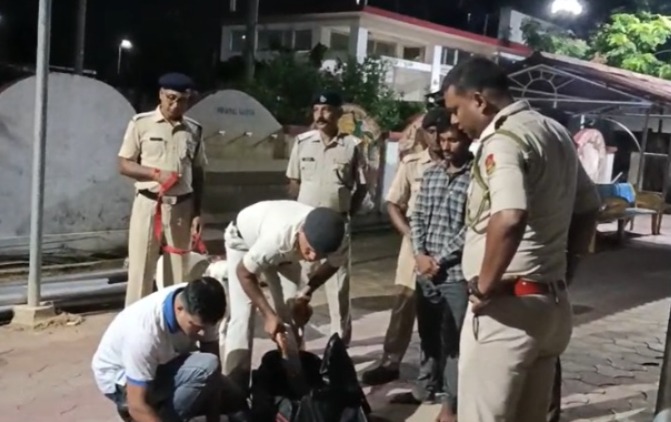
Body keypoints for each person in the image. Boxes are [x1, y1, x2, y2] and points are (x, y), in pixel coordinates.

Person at [442, 56, 600, 422]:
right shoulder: (553, 132)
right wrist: (567, 269)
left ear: (479, 100)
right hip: (550, 305)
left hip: (507, 311)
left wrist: (483, 288)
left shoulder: (503, 140)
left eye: (455, 110)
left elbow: (510, 216)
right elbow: (589, 207)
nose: (454, 122)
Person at [361, 107, 447, 386]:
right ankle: (390, 362)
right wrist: (410, 236)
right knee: (404, 303)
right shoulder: (413, 164)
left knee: (443, 309)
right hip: (414, 246)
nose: (437, 138)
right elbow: (393, 203)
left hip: (448, 246)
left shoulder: (460, 163)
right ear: (424, 134)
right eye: (431, 131)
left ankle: (439, 370)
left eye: (442, 132)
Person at [222, 200, 347, 391]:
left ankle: (295, 383)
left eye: (320, 254)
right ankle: (235, 389)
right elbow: (244, 272)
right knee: (243, 316)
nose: (312, 257)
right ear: (302, 231)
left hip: (285, 252)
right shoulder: (277, 237)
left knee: (291, 315)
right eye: (310, 249)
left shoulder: (338, 239)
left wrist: (306, 293)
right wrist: (268, 314)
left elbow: (333, 264)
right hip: (243, 241)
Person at [91, 277, 248, 422]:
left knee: (233, 397)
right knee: (206, 367)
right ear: (179, 309)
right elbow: (136, 405)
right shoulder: (145, 334)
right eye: (196, 327)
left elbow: (214, 376)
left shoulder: (205, 305)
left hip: (163, 363)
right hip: (121, 380)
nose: (202, 333)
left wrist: (213, 417)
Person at [285, 91, 368, 346]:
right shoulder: (302, 143)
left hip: (336, 225)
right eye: (316, 109)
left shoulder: (352, 146)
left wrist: (347, 215)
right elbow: (294, 182)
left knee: (338, 287)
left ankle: (338, 343)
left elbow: (362, 186)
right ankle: (297, 340)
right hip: (305, 228)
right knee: (301, 284)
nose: (320, 115)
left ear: (338, 114)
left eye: (326, 109)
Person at [403, 115, 471, 422]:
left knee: (454, 341)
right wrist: (419, 254)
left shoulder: (477, 178)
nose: (445, 146)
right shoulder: (431, 174)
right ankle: (426, 387)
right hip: (425, 271)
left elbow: (472, 227)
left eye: (452, 140)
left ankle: (451, 404)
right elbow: (416, 217)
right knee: (428, 335)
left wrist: (439, 259)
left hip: (455, 275)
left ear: (466, 140)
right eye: (442, 139)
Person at [118, 72, 207, 307]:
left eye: (182, 100)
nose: (175, 105)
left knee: (179, 271)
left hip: (181, 208)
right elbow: (124, 164)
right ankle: (136, 320)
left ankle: (173, 319)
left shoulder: (194, 130)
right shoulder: (141, 123)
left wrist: (197, 213)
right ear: (161, 95)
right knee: (140, 270)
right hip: (148, 204)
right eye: (171, 98)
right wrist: (155, 174)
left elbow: (198, 172)